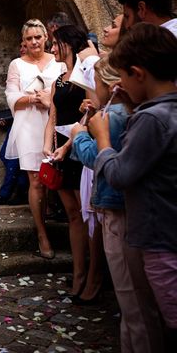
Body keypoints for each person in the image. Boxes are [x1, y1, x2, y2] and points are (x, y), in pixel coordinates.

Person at [90, 23, 177, 349]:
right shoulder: (161, 110)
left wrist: (102, 140)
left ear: (138, 73)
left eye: (123, 77)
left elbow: (121, 173)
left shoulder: (151, 119)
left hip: (158, 237)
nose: (119, 85)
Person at [71, 57, 164, 352]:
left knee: (132, 300)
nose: (91, 91)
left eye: (94, 85)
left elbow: (98, 159)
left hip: (116, 207)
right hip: (135, 209)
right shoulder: (132, 112)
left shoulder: (114, 115)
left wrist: (79, 137)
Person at [44, 24, 104, 300]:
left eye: (55, 43)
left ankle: (94, 276)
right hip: (61, 151)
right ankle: (78, 273)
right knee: (72, 215)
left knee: (88, 214)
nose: (52, 48)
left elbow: (93, 110)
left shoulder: (85, 71)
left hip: (80, 149)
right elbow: (53, 116)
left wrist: (69, 145)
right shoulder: (59, 78)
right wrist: (48, 146)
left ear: (67, 43)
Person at [4, 19, 62, 258]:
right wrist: (32, 99)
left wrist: (51, 98)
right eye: (29, 38)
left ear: (46, 38)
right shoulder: (17, 64)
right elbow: (11, 97)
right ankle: (42, 234)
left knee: (58, 174)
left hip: (55, 120)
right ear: (23, 42)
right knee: (36, 178)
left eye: (38, 37)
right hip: (28, 123)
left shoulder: (58, 62)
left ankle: (60, 214)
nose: (34, 42)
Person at [0, 42, 29, 207]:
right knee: (8, 155)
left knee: (16, 158)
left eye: (25, 45)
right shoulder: (17, 66)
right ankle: (20, 191)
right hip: (16, 119)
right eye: (21, 45)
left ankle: (6, 194)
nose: (22, 48)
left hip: (30, 119)